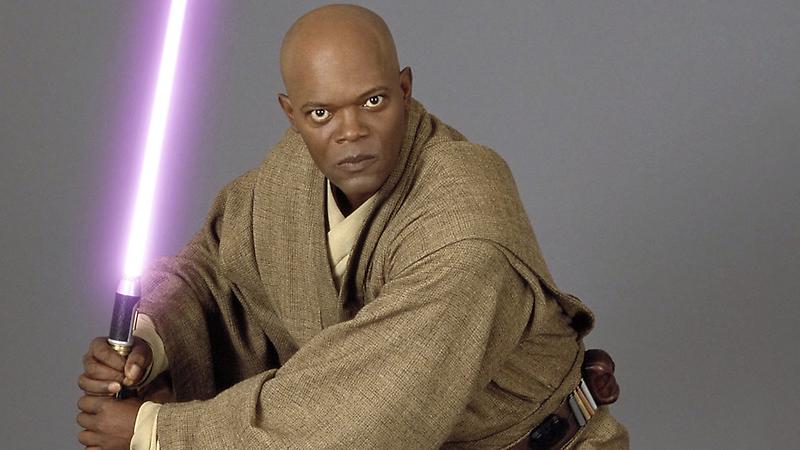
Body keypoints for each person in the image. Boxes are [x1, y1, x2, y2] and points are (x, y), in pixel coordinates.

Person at [77, 4, 628, 449]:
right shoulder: (295, 172)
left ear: (405, 90)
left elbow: (367, 410)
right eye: (321, 113)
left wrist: (158, 434)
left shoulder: (466, 222)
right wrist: (150, 340)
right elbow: (216, 269)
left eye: (373, 101)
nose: (350, 132)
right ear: (292, 114)